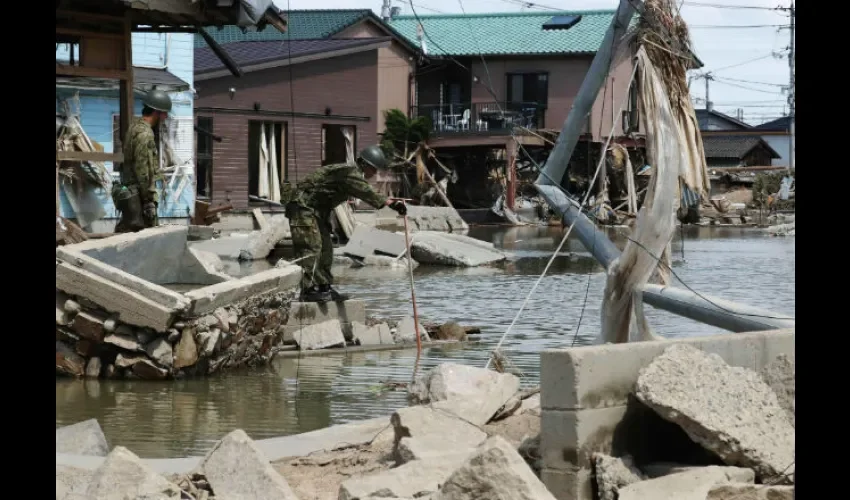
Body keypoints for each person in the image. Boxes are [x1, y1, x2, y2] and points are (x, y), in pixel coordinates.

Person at [287, 145, 407, 303]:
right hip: (302, 208)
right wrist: (389, 202)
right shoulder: (349, 172)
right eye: (373, 169)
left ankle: (324, 287)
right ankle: (309, 290)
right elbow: (365, 191)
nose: (374, 173)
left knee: (326, 248)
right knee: (312, 247)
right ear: (364, 164)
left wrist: (389, 203)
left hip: (316, 212)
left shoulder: (352, 174)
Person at [113, 89, 171, 233]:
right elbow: (142, 169)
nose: (166, 117)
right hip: (139, 195)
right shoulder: (145, 134)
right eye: (164, 113)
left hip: (130, 192)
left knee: (128, 231)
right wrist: (147, 199)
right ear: (156, 112)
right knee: (146, 237)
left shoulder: (134, 127)